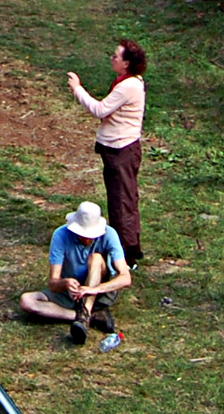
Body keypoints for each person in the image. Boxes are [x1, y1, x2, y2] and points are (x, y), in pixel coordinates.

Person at [68, 41, 147, 265]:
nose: (112, 59)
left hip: (121, 151)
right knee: (121, 201)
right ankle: (125, 249)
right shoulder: (129, 82)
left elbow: (100, 109)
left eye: (115, 57)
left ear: (126, 63)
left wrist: (77, 89)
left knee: (122, 203)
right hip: (118, 149)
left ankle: (126, 255)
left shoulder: (128, 86)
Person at [20, 201, 131, 350]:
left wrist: (94, 289)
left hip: (98, 292)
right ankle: (87, 318)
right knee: (26, 301)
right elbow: (53, 283)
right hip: (70, 294)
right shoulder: (60, 235)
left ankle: (85, 312)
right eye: (81, 235)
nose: (86, 239)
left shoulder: (110, 234)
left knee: (96, 258)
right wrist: (65, 283)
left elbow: (125, 277)